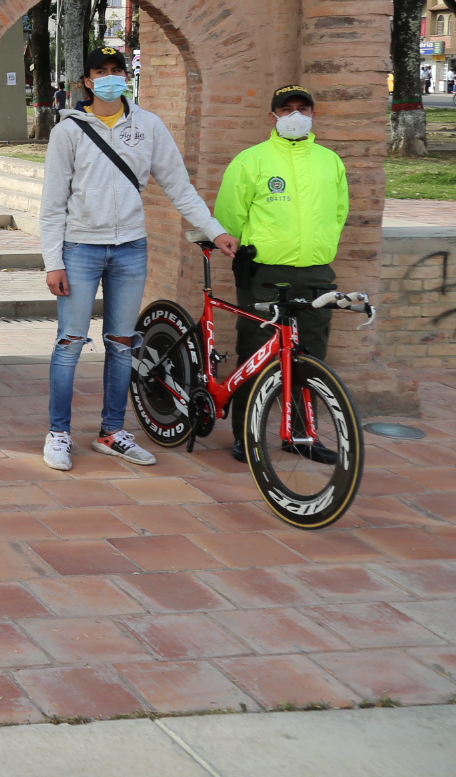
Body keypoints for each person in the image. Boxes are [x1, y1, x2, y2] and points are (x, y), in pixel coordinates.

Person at [40, 48, 237, 472]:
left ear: (126, 77)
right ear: (88, 81)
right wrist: (52, 260)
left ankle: (113, 432)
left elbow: (179, 186)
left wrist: (216, 230)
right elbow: (53, 203)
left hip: (130, 247)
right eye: (101, 72)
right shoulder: (69, 130)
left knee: (122, 344)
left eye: (117, 71)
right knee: (70, 342)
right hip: (80, 249)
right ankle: (59, 433)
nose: (110, 78)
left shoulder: (147, 126)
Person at [213, 83, 349, 461]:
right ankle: (247, 434)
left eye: (302, 109)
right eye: (286, 110)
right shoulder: (250, 160)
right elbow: (229, 217)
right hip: (265, 273)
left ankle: (302, 436)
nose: (295, 116)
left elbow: (339, 213)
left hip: (317, 273)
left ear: (313, 115)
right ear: (272, 117)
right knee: (256, 353)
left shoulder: (329, 161)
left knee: (311, 358)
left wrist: (319, 247)